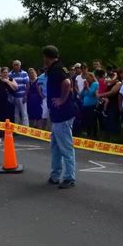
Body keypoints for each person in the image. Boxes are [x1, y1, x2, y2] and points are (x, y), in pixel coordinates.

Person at [43, 45, 76, 189]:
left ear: (46, 57)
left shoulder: (56, 69)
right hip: (58, 114)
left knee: (66, 147)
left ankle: (69, 177)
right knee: (56, 146)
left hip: (63, 114)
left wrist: (61, 100)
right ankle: (55, 175)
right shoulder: (60, 68)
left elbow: (67, 83)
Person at [10, 60, 30, 126]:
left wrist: (25, 96)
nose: (16, 66)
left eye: (17, 65)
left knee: (24, 112)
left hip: (22, 96)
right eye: (14, 64)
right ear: (12, 66)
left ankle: (25, 128)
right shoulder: (10, 74)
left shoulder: (24, 73)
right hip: (14, 96)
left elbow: (27, 85)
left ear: (20, 66)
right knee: (15, 114)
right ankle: (16, 127)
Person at [80, 73, 99, 139]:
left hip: (92, 105)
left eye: (88, 78)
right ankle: (88, 133)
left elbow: (91, 93)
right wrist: (84, 88)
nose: (87, 80)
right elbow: (81, 95)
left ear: (92, 77)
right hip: (85, 106)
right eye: (86, 79)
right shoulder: (87, 85)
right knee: (86, 121)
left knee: (92, 121)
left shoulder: (95, 84)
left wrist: (88, 87)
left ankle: (94, 135)